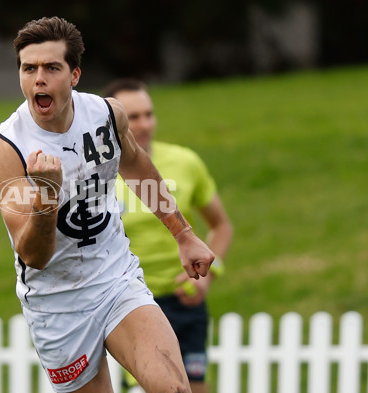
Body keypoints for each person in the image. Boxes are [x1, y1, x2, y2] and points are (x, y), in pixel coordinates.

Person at [0, 17, 215, 393]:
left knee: (174, 388)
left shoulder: (107, 115)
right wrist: (46, 198)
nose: (39, 79)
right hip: (57, 304)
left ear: (74, 75)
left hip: (115, 279)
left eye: (51, 68)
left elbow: (137, 167)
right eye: (29, 68)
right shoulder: (5, 150)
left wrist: (184, 234)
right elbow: (34, 257)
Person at [103, 79, 234, 393]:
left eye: (149, 114)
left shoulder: (185, 162)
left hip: (183, 302)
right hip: (130, 304)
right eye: (133, 117)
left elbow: (221, 226)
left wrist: (207, 276)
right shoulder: (97, 172)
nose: (145, 124)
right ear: (112, 122)